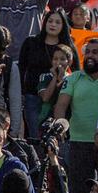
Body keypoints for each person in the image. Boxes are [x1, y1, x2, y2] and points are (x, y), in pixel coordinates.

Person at [53, 39, 98, 193]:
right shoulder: (74, 78)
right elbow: (61, 105)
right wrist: (60, 126)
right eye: (88, 52)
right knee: (78, 192)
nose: (89, 56)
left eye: (95, 52)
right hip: (78, 143)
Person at [18, 9, 80, 139]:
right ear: (44, 22)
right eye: (50, 21)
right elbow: (21, 69)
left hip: (61, 99)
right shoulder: (31, 42)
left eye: (58, 22)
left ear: (63, 25)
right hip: (33, 96)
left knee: (57, 136)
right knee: (35, 135)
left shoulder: (69, 46)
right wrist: (21, 93)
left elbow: (76, 73)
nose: (53, 25)